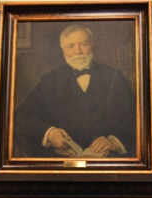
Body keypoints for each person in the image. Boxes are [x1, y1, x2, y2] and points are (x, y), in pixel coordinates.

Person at [13, 25, 137, 158]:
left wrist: (114, 141)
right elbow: (19, 118)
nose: (78, 52)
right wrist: (49, 132)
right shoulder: (49, 80)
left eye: (83, 44)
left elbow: (135, 119)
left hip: (108, 160)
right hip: (61, 161)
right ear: (63, 50)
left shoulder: (114, 77)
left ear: (92, 45)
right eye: (70, 46)